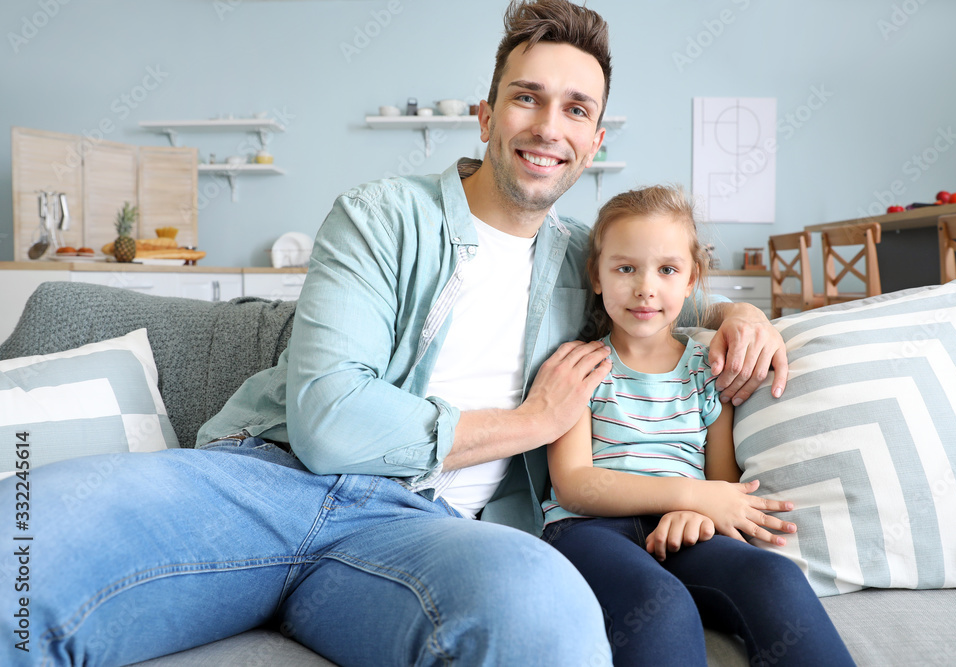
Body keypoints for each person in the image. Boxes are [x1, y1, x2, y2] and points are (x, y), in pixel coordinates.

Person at [0, 2, 789, 665]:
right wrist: (530, 422)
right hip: (266, 482)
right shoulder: (380, 215)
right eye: (527, 97)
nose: (549, 125)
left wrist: (737, 315)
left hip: (430, 536)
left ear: (593, 142)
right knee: (20, 539)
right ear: (485, 115)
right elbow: (329, 420)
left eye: (576, 109)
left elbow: (661, 306)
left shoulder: (587, 259)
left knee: (544, 613)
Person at [542, 185, 854, 666]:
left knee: (775, 577)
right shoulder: (578, 367)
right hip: (588, 530)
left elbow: (721, 482)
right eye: (625, 268)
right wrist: (687, 495)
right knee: (659, 605)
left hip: (685, 528)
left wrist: (700, 512)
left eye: (667, 270)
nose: (646, 287)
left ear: (692, 282)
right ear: (597, 277)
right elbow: (575, 486)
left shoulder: (708, 368)